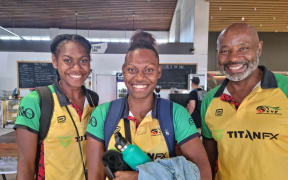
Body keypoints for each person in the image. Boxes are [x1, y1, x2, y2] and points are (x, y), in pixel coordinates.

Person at [86, 31, 211, 180]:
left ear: (158, 72)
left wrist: (140, 176)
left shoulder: (175, 114)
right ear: (124, 71)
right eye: (132, 70)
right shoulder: (103, 114)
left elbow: (203, 173)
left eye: (149, 70)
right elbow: (95, 176)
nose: (140, 77)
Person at [201, 23, 288, 180]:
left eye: (243, 48)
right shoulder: (210, 100)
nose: (233, 58)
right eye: (225, 51)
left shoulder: (285, 90)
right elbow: (210, 159)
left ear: (259, 48)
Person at [15, 34, 99, 180]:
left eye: (83, 60)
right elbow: (25, 167)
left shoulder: (92, 99)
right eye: (67, 60)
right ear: (55, 61)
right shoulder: (36, 101)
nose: (77, 68)